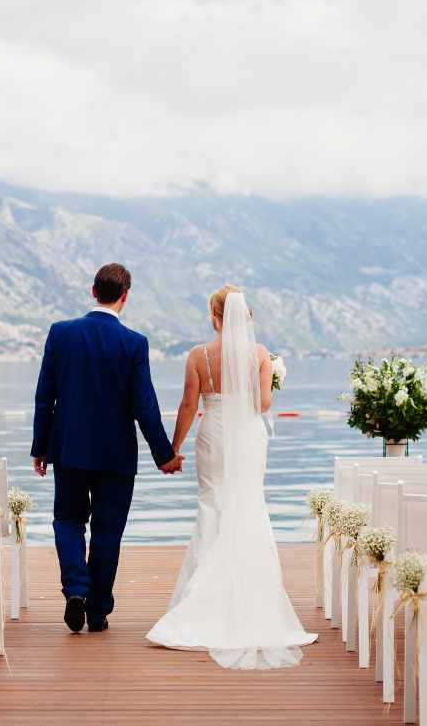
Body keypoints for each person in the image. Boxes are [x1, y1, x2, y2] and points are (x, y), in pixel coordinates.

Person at [145, 285, 316, 669]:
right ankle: (249, 599)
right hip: (248, 436)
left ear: (214, 316)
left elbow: (189, 404)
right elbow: (263, 404)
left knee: (212, 506)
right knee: (249, 505)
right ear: (247, 316)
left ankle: (200, 601)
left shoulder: (198, 355)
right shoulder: (258, 355)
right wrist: (270, 378)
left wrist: (172, 449)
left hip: (213, 433)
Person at [31, 263, 184, 634]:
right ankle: (97, 610)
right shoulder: (133, 343)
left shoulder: (61, 333)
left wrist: (41, 447)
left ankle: (76, 591)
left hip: (68, 449)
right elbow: (144, 405)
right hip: (116, 455)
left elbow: (44, 396)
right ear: (125, 296)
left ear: (92, 291)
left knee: (67, 520)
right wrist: (164, 455)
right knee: (107, 531)